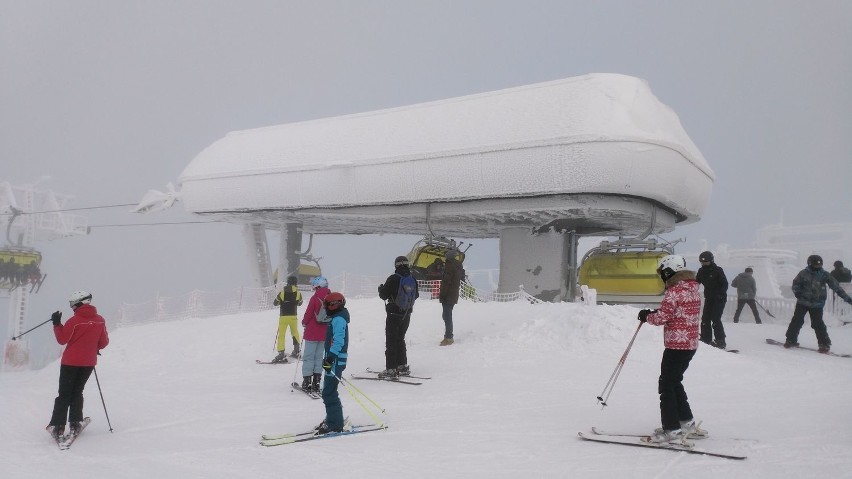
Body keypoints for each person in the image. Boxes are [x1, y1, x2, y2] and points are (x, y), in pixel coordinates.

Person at [637, 255, 706, 444]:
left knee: (666, 385)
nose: (662, 276)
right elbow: (675, 313)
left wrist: (646, 316)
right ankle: (686, 422)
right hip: (689, 344)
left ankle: (672, 429)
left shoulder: (674, 291)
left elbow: (663, 318)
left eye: (662, 272)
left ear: (669, 271)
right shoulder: (692, 288)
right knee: (675, 382)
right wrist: (654, 313)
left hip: (676, 345)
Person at [46, 290, 110, 440]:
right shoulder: (100, 320)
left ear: (80, 304)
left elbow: (62, 339)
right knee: (77, 392)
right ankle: (75, 423)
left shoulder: (74, 321)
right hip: (88, 363)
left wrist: (56, 323)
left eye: (72, 305)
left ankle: (58, 426)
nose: (71, 308)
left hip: (70, 363)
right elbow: (104, 342)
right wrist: (93, 347)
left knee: (64, 394)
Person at [785, 255, 852, 353]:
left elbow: (837, 288)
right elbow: (795, 284)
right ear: (810, 264)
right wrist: (797, 293)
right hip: (802, 302)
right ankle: (791, 340)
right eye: (815, 265)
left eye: (819, 265)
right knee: (797, 321)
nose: (817, 267)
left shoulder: (824, 274)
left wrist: (848, 299)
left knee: (817, 324)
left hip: (817, 304)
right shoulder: (803, 273)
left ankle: (824, 344)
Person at [377, 255, 419, 378]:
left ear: (396, 265)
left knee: (391, 341)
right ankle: (402, 365)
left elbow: (384, 295)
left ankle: (391, 369)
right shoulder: (412, 279)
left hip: (393, 314)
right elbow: (415, 295)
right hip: (406, 314)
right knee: (400, 339)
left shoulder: (393, 278)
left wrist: (380, 289)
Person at [315, 292, 350, 435]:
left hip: (335, 360)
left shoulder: (339, 320)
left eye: (327, 305)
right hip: (334, 359)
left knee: (329, 392)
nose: (325, 308)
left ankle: (335, 424)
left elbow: (339, 341)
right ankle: (333, 418)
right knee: (329, 391)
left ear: (334, 305)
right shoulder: (337, 318)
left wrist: (330, 358)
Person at [300, 276, 331, 393]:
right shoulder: (331, 297)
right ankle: (316, 383)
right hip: (324, 333)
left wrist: (304, 322)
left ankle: (307, 382)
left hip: (312, 333)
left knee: (309, 357)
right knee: (319, 357)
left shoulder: (315, 297)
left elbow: (308, 313)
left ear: (318, 286)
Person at [695, 251, 728, 349]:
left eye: (706, 262)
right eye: (702, 262)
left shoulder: (718, 270)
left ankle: (720, 341)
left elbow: (725, 283)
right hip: (709, 298)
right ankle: (706, 338)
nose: (704, 264)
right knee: (705, 318)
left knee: (715, 319)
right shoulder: (701, 271)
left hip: (719, 298)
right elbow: (696, 282)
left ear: (711, 260)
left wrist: (721, 294)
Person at [271, 275, 303, 363]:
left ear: (288, 282)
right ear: (295, 283)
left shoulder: (282, 292)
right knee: (294, 333)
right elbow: (300, 303)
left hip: (284, 317)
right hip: (293, 316)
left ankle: (281, 353)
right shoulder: (298, 292)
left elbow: (275, 303)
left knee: (281, 335)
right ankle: (296, 350)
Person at [438, 249, 465, 346]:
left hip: (448, 295)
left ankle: (449, 337)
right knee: (447, 315)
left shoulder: (449, 266)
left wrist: (442, 294)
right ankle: (448, 336)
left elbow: (446, 282)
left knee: (446, 316)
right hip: (453, 294)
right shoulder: (458, 266)